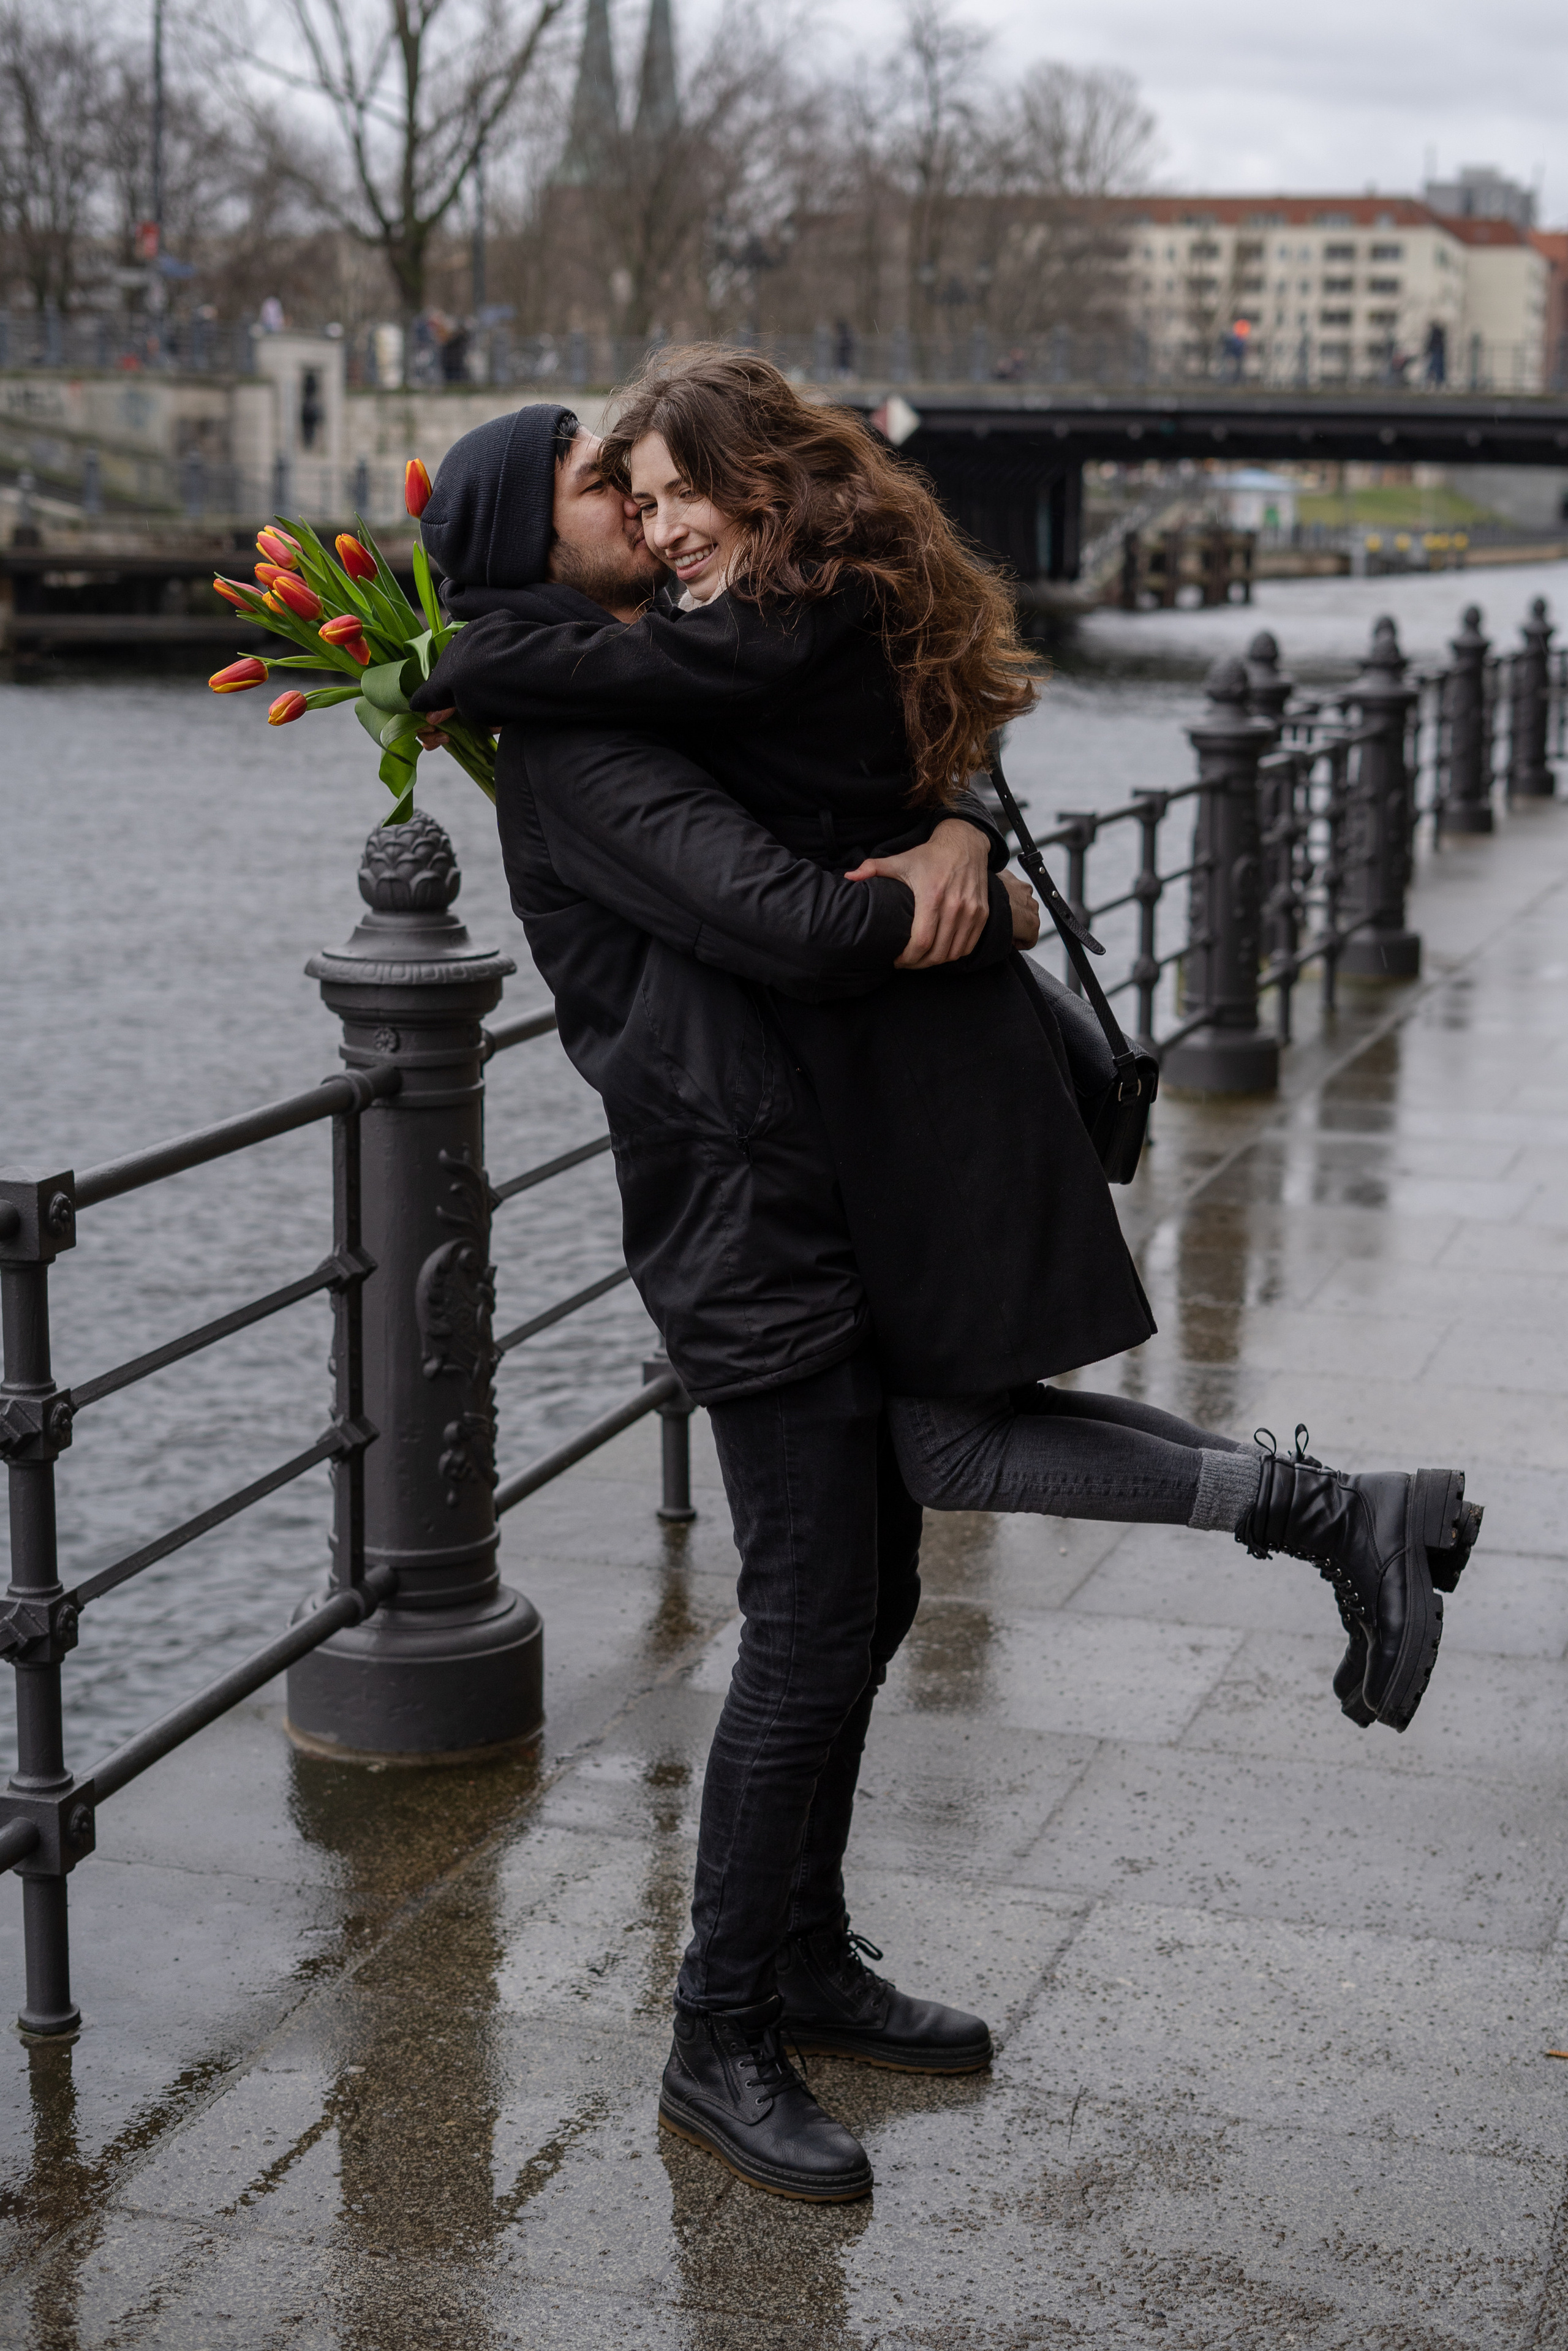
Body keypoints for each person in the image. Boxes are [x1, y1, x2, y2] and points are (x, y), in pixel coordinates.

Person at [412, 366, 1482, 2199]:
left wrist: (964, 832)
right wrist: (923, 876)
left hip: (837, 1190)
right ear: (539, 535)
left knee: (883, 1582)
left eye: (655, 480)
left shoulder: (674, 655)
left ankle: (804, 1956)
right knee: (820, 1621)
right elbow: (796, 926)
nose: (642, 502)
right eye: (605, 482)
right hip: (753, 1223)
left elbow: (896, 740)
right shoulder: (581, 738)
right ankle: (720, 2031)